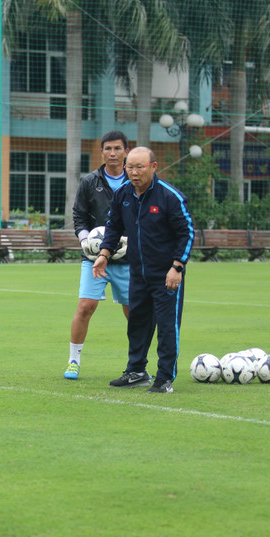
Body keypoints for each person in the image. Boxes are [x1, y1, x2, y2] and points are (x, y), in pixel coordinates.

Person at [92, 147, 194, 394]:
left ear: (153, 167)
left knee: (167, 326)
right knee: (137, 323)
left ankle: (164, 378)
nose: (134, 172)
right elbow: (113, 226)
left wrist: (177, 267)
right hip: (137, 272)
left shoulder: (170, 197)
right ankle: (136, 371)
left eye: (140, 167)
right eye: (130, 167)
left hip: (166, 274)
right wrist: (104, 254)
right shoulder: (123, 194)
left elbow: (187, 233)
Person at [65, 131, 131, 380]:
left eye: (117, 148)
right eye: (107, 149)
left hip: (127, 259)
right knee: (85, 307)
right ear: (101, 152)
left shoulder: (135, 180)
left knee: (133, 311)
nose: (112, 153)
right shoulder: (89, 182)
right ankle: (73, 361)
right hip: (94, 260)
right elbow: (79, 216)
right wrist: (85, 241)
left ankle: (136, 363)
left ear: (126, 151)